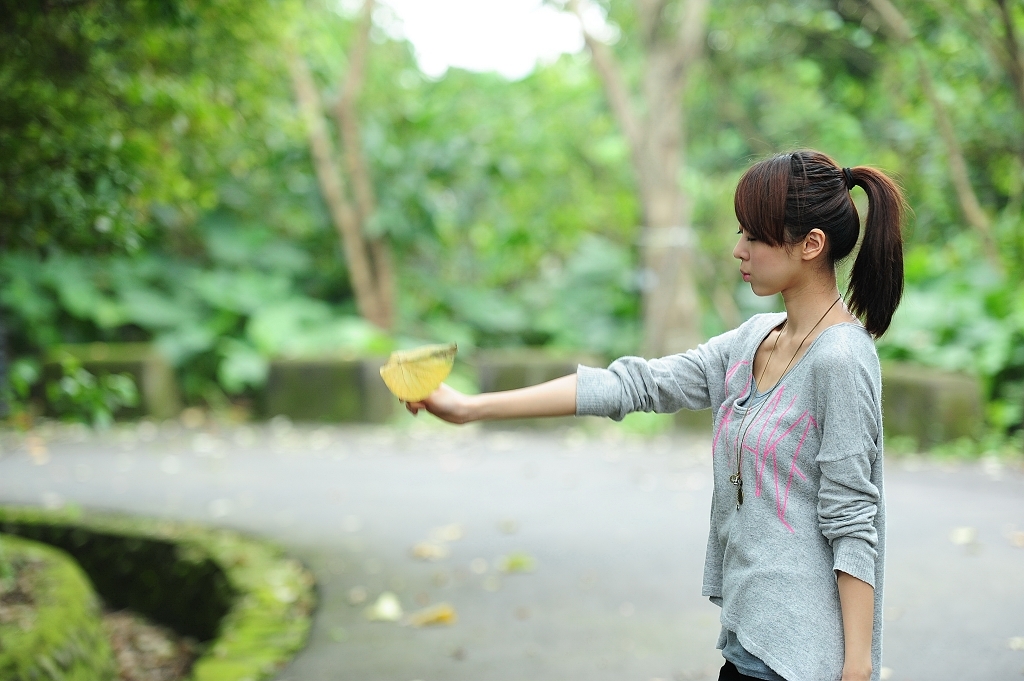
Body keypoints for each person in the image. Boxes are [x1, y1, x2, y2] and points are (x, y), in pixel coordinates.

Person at [404, 149, 904, 681]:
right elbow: (634, 384)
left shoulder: (841, 359)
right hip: (746, 644)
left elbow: (853, 519)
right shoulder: (754, 340)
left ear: (811, 245)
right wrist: (467, 409)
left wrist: (856, 671)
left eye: (754, 236)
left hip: (803, 662)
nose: (739, 250)